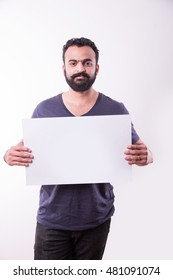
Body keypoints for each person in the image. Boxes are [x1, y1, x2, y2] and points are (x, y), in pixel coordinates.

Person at [4, 37, 153, 260]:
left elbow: (145, 153)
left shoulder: (115, 109)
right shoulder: (45, 109)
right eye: (73, 63)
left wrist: (146, 156)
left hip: (96, 219)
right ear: (64, 68)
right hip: (52, 219)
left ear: (96, 68)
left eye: (87, 62)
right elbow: (19, 150)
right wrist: (8, 155)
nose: (80, 69)